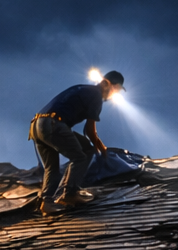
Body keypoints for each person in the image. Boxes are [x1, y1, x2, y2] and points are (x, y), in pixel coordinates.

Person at [30, 70, 124, 216]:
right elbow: (90, 130)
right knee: (80, 157)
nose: (112, 95)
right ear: (107, 83)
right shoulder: (96, 95)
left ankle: (46, 203)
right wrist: (101, 148)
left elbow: (88, 133)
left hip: (37, 125)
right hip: (53, 124)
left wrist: (95, 145)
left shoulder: (83, 89)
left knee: (52, 167)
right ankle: (69, 193)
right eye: (115, 90)